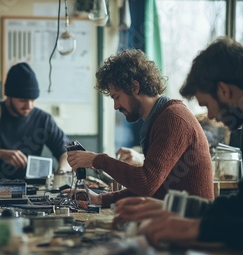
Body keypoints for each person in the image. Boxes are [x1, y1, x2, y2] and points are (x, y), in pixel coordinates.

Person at [114, 37, 243, 255]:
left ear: (224, 90)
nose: (210, 116)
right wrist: (174, 208)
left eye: (207, 105)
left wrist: (197, 229)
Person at [66, 49, 215, 208]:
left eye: (117, 97)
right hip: (174, 219)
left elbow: (146, 183)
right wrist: (101, 199)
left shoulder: (173, 119)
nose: (116, 106)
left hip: (192, 226)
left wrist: (96, 160)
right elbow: (152, 188)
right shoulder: (160, 118)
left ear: (135, 87)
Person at [0, 62, 71, 180]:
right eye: (22, 100)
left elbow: (67, 153)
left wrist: (61, 172)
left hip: (32, 187)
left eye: (33, 99)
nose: (29, 106)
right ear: (9, 96)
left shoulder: (43, 119)